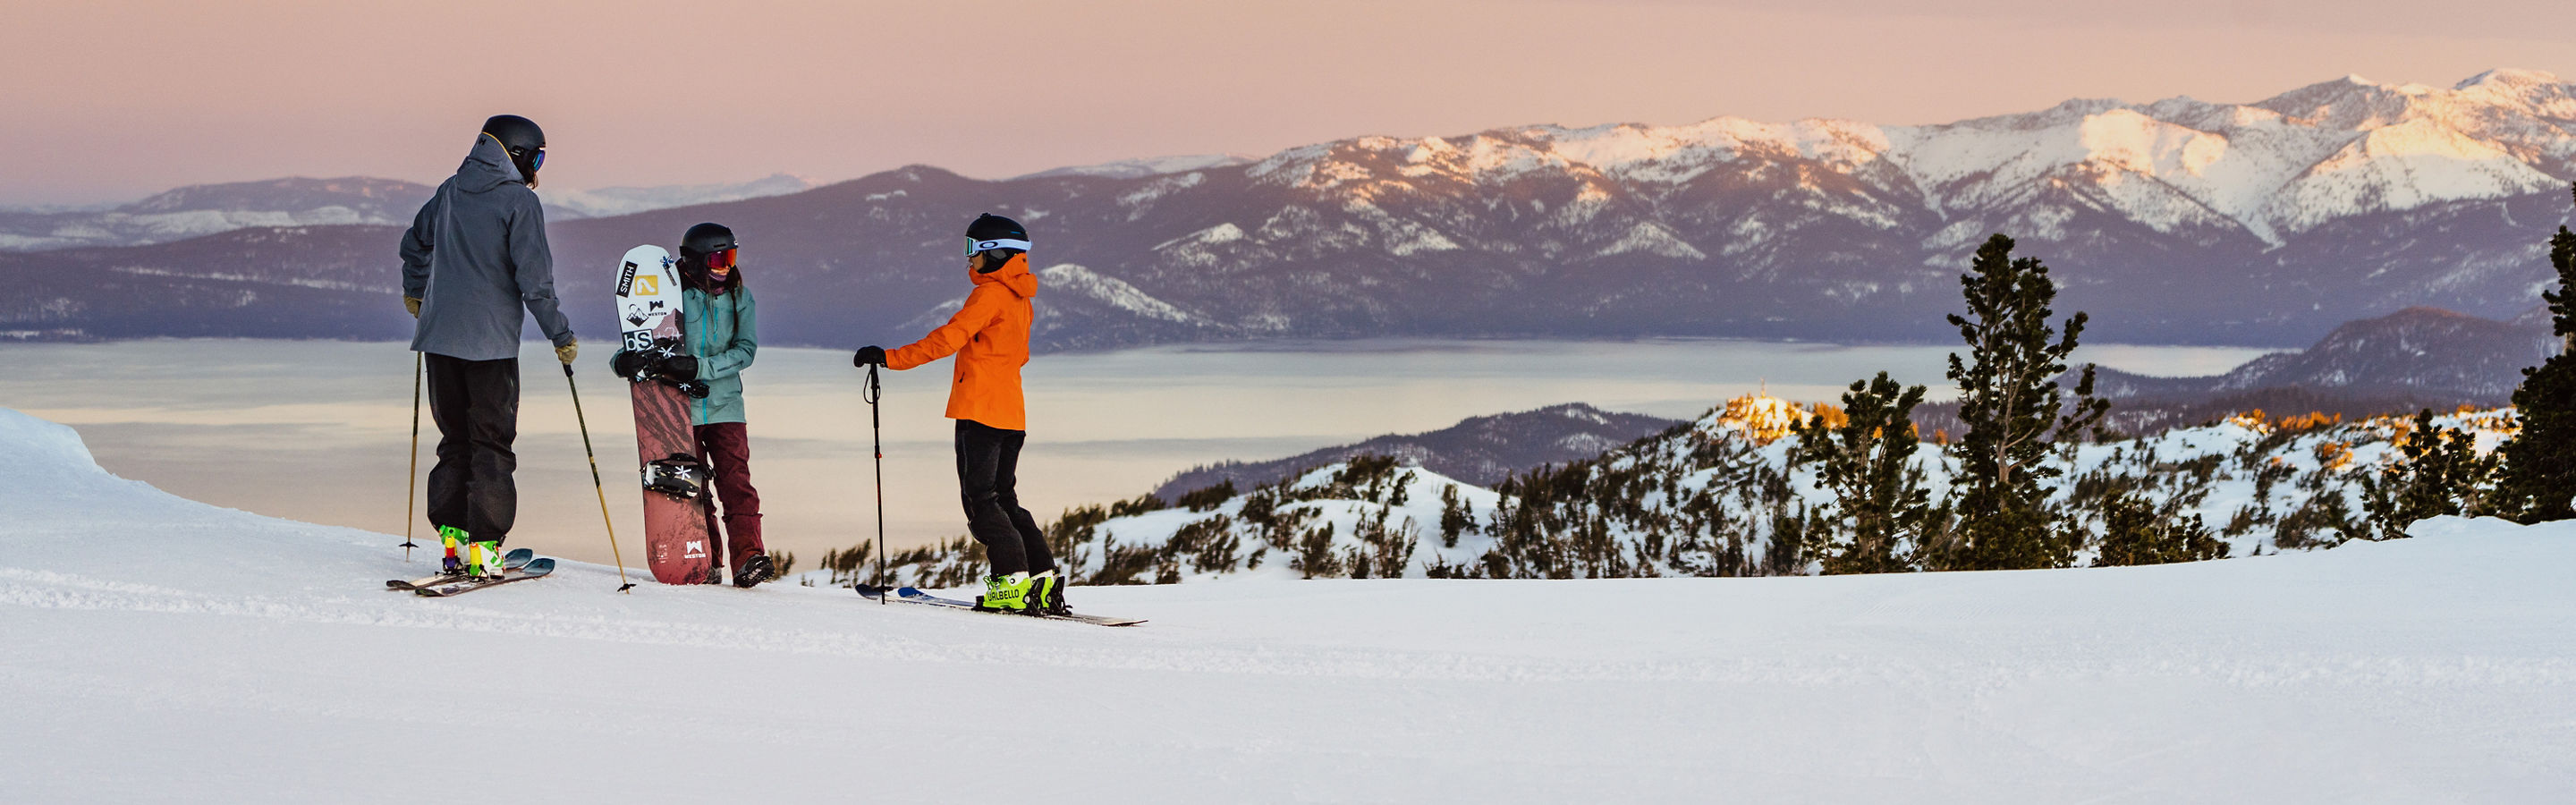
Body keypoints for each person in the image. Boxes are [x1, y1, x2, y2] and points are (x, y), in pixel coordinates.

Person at [853, 213, 1064, 614]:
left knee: (981, 500)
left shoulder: (990, 295)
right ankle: (1042, 578)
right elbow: (1021, 355)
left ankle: (1012, 583)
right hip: (1011, 415)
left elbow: (948, 339)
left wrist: (889, 358)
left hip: (980, 415)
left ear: (995, 253)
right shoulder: (1021, 299)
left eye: (972, 251)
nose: (968, 261)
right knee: (1005, 498)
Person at [398, 114, 578, 579]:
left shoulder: (450, 190)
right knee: (492, 446)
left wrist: (416, 293)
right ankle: (486, 548)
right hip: (490, 348)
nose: (537, 167)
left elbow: (413, 244)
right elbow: (534, 282)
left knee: (454, 441)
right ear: (517, 154)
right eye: (537, 157)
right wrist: (560, 335)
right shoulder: (519, 202)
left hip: (438, 340)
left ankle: (453, 543)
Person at [614, 223, 773, 587]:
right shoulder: (673, 297)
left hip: (725, 406)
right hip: (676, 408)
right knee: (693, 488)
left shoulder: (740, 298)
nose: (726, 265)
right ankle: (708, 561)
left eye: (731, 256)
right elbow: (642, 339)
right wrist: (622, 362)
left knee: (737, 483)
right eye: (719, 257)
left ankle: (748, 558)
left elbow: (745, 351)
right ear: (696, 260)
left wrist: (701, 366)